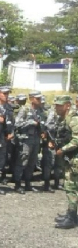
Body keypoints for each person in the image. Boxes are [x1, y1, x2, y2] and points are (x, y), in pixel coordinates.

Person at [13, 91, 46, 194]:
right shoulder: (25, 109)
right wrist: (31, 122)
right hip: (26, 139)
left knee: (32, 162)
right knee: (23, 161)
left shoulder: (40, 111)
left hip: (36, 139)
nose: (40, 100)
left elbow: (43, 123)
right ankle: (17, 184)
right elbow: (17, 124)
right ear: (32, 98)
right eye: (38, 98)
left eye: (40, 98)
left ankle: (28, 183)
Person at [53, 95, 78, 229]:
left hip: (75, 159)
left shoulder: (73, 119)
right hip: (70, 158)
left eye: (60, 105)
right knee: (70, 187)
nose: (57, 108)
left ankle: (72, 218)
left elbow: (76, 139)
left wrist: (63, 149)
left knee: (71, 188)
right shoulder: (64, 119)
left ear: (67, 105)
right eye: (56, 105)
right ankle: (71, 214)